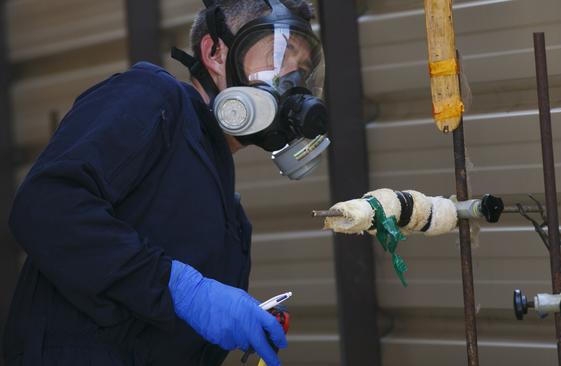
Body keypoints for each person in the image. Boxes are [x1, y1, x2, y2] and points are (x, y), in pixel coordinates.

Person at [2, 0, 329, 365]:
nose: (292, 81)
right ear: (215, 53)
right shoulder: (152, 97)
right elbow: (45, 206)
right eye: (278, 56)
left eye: (302, 68)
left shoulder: (232, 219)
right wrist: (182, 289)